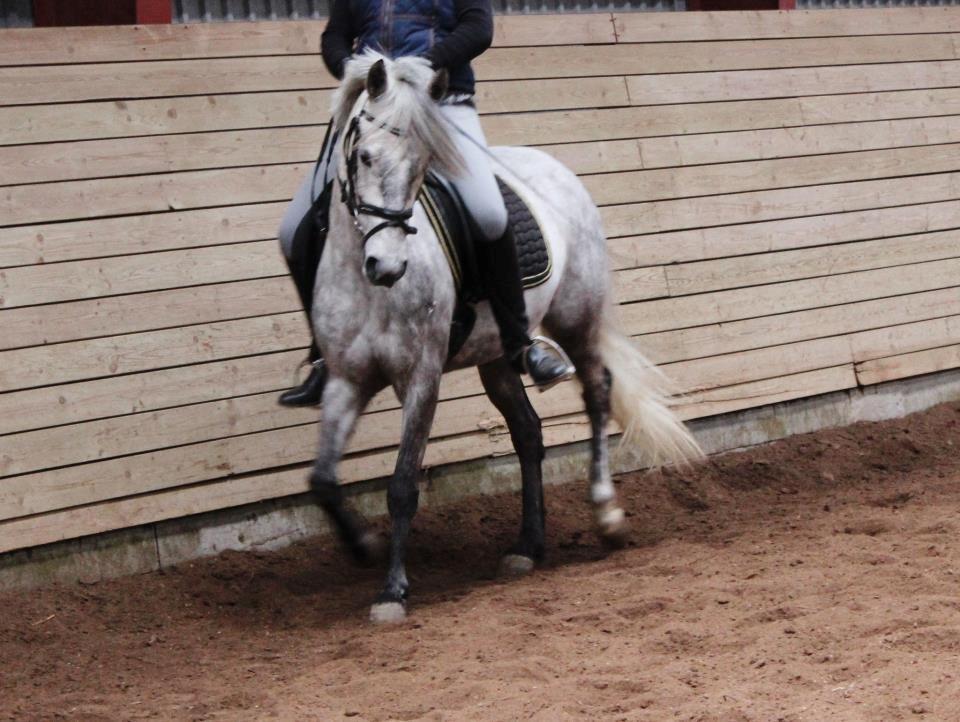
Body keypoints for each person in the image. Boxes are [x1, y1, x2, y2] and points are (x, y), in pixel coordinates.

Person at [276, 0, 574, 407]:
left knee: (487, 212)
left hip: (442, 104)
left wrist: (420, 66)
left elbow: (478, 28)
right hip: (375, 113)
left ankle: (521, 344)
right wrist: (352, 69)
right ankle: (325, 356)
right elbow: (335, 35)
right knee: (293, 229)